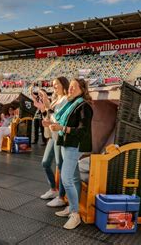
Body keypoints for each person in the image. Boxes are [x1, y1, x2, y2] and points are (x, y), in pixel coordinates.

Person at [49, 78, 93, 230]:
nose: (71, 89)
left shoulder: (84, 106)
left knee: (66, 178)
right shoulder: (71, 104)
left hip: (75, 145)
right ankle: (73, 207)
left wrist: (63, 128)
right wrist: (53, 126)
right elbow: (64, 122)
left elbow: (82, 131)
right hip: (66, 143)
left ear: (82, 89)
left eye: (75, 87)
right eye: (71, 87)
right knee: (74, 177)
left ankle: (75, 214)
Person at [34, 77, 69, 208]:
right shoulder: (56, 100)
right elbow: (49, 117)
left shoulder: (66, 100)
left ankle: (61, 196)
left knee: (60, 166)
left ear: (63, 85)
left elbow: (59, 119)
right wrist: (43, 109)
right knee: (45, 163)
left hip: (59, 136)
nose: (54, 86)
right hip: (52, 136)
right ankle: (54, 190)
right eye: (53, 84)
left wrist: (48, 106)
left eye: (56, 84)